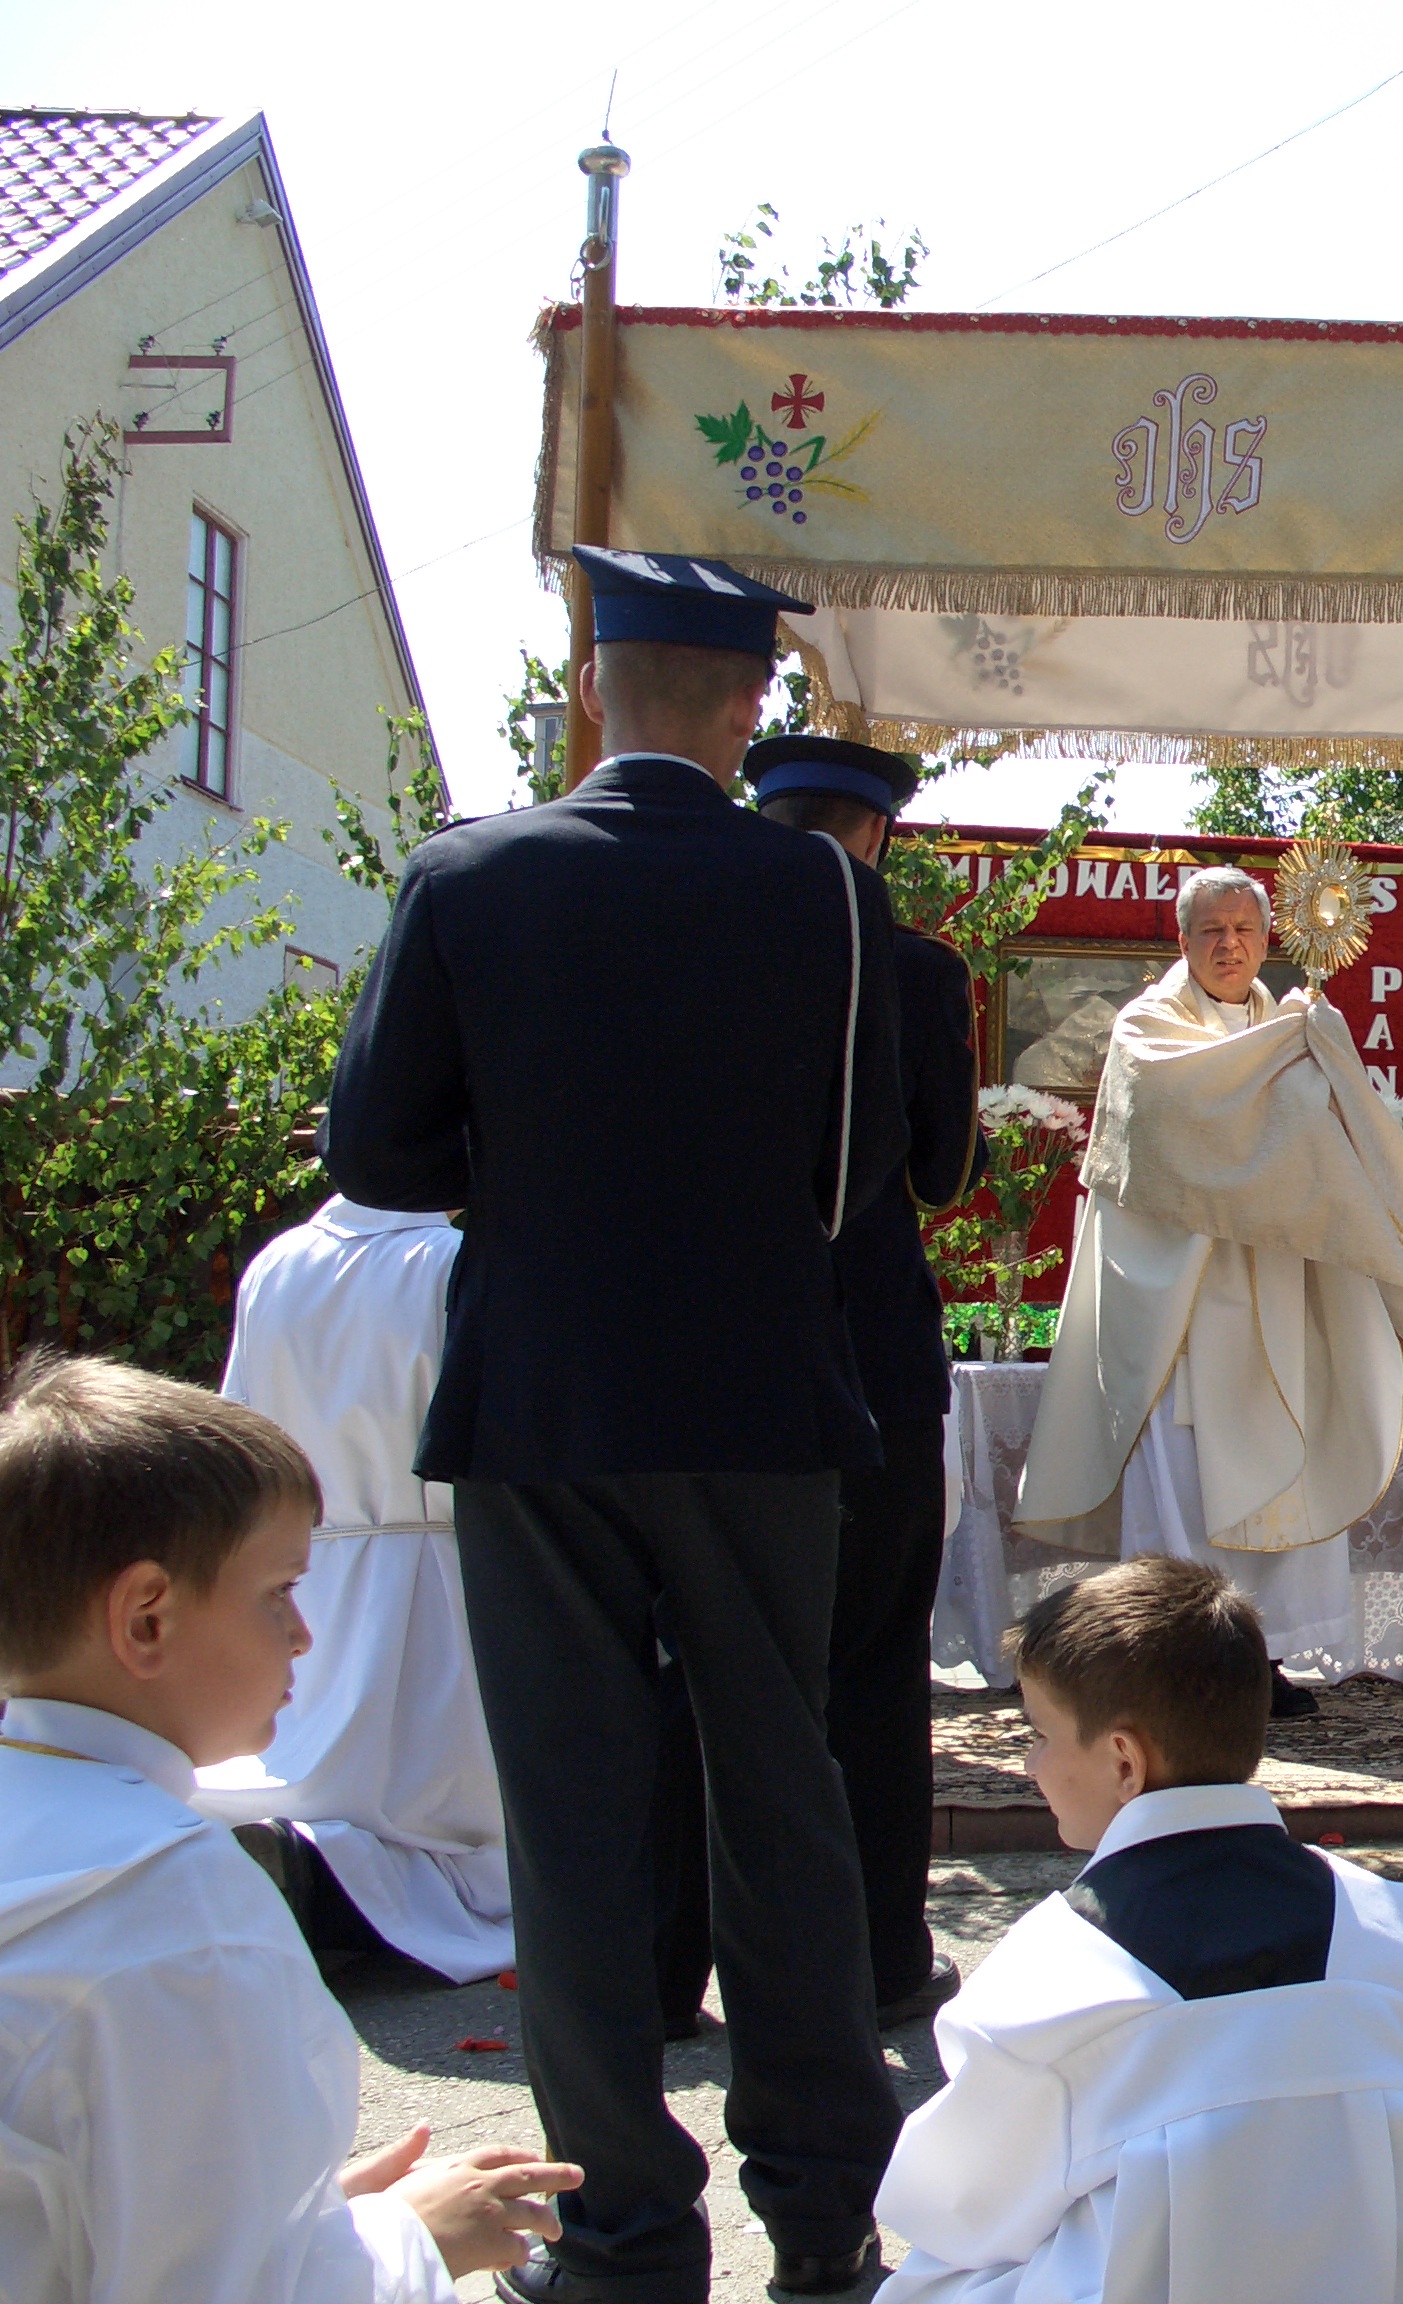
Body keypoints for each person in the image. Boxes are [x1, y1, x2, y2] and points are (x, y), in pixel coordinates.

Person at [324, 546, 908, 2302]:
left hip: (545, 1400)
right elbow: (856, 1166)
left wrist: (533, 1183)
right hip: (756, 1399)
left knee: (570, 1817)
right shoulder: (821, 894)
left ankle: (623, 2234)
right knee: (780, 1795)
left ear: (592, 688)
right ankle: (824, 2212)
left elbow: (375, 1150)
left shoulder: (469, 873)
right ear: (747, 706)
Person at [0, 1352, 581, 2301]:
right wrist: (408, 2242)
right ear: (147, 1618)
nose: (304, 1635)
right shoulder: (183, 1917)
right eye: (278, 1592)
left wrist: (298, 2216)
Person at [874, 1558, 1403, 2304]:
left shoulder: (1054, 1975)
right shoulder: (1402, 1928)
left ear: (1124, 1761)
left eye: (1040, 1734)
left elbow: (957, 2212)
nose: (1030, 1764)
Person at [654, 734, 984, 2037]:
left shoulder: (684, 950)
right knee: (872, 1669)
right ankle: (879, 1959)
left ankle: (665, 1967)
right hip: (868, 1354)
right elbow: (944, 1173)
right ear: (877, 836)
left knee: (692, 1660)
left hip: (709, 1353)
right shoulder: (915, 970)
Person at [1018, 866, 1403, 1720]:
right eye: (1211, 930)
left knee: (1284, 1472)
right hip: (1185, 1307)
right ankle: (1170, 1665)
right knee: (1186, 1491)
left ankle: (1257, 1659)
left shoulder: (1293, 1024)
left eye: (1243, 930)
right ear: (1182, 940)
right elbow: (1168, 1122)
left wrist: (1318, 1055)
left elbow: (1331, 1142)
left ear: (1268, 941)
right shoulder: (1147, 1029)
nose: (1228, 945)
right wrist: (1286, 1066)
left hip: (1276, 1291)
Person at [191, 1187, 515, 1983]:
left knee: (334, 1774)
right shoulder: (453, 1263)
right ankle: (318, 1876)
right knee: (470, 1828)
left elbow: (242, 1428)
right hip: (446, 1570)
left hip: (315, 1573)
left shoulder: (278, 1266)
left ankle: (298, 1860)